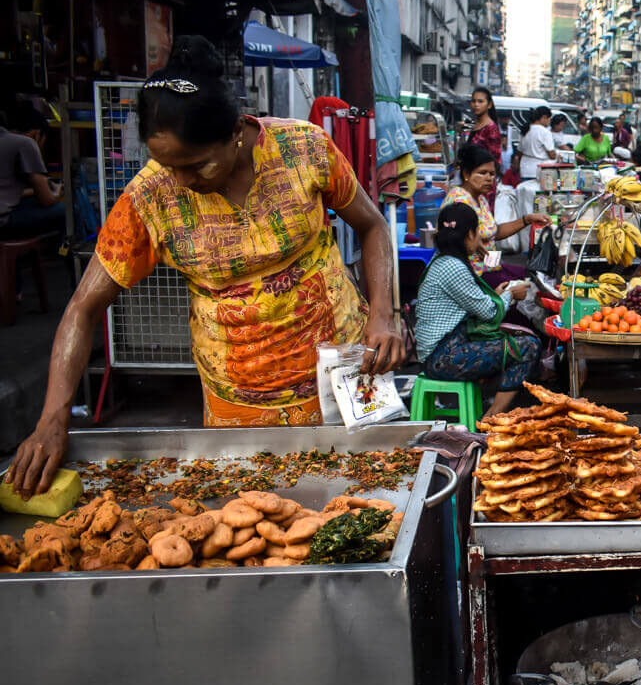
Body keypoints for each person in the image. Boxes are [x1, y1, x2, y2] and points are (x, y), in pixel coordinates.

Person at [5, 35, 405, 499]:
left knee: (366, 506)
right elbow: (82, 308)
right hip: (238, 399)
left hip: (348, 375)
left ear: (236, 132)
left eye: (196, 166)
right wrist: (53, 418)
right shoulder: (150, 196)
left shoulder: (304, 148)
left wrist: (383, 314)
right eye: (166, 165)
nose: (181, 181)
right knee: (259, 527)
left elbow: (373, 226)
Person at [416, 202, 540, 417]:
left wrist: (500, 295)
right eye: (477, 233)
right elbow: (489, 313)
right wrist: (511, 294)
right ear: (469, 234)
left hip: (440, 352)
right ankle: (493, 416)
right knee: (528, 347)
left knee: (514, 339)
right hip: (443, 357)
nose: (480, 239)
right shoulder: (453, 267)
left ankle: (491, 411)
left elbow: (476, 303)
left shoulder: (442, 261)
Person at [444, 144, 549, 280]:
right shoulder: (458, 200)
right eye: (482, 173)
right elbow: (453, 239)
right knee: (524, 284)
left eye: (492, 174)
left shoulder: (480, 198)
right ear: (466, 174)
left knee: (532, 276)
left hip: (489, 267)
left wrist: (527, 219)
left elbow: (494, 232)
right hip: (470, 276)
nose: (489, 178)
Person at [0, 104, 65, 236]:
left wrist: (32, 191)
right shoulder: (25, 143)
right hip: (4, 221)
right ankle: (68, 254)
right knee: (69, 210)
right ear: (37, 134)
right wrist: (58, 192)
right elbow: (47, 200)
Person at [518, 106, 556, 181]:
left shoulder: (525, 130)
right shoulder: (545, 132)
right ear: (544, 117)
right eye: (549, 119)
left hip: (525, 169)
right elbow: (552, 155)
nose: (549, 122)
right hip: (539, 169)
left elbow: (519, 152)